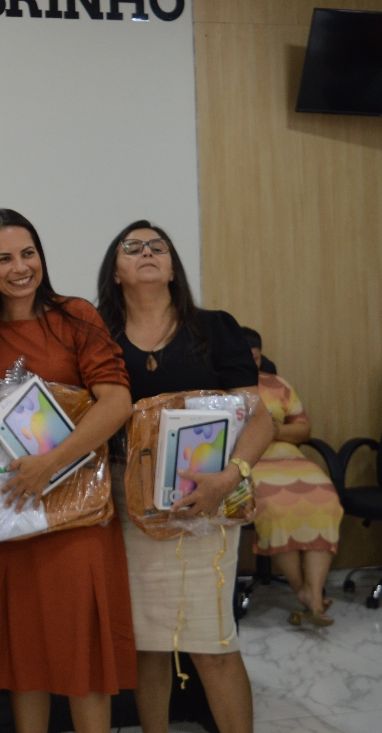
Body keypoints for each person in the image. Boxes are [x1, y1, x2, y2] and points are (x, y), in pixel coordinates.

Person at [95, 220, 274, 733]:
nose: (147, 252)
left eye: (158, 246)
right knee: (147, 646)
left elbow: (259, 418)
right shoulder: (97, 335)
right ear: (115, 271)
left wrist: (231, 477)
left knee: (213, 645)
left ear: (173, 268)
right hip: (127, 505)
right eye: (133, 247)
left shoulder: (215, 328)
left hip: (207, 503)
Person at [0, 210, 136, 733]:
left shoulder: (75, 316)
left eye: (28, 253)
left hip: (78, 514)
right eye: (4, 258)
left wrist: (50, 464)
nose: (20, 268)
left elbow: (117, 402)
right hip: (11, 513)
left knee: (86, 657)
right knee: (27, 658)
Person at [240, 326, 343, 627]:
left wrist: (275, 431)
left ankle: (314, 591)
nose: (251, 365)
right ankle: (303, 590)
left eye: (256, 359)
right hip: (249, 460)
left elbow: (303, 429)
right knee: (277, 506)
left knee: (325, 499)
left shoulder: (278, 385)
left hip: (289, 458)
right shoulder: (219, 388)